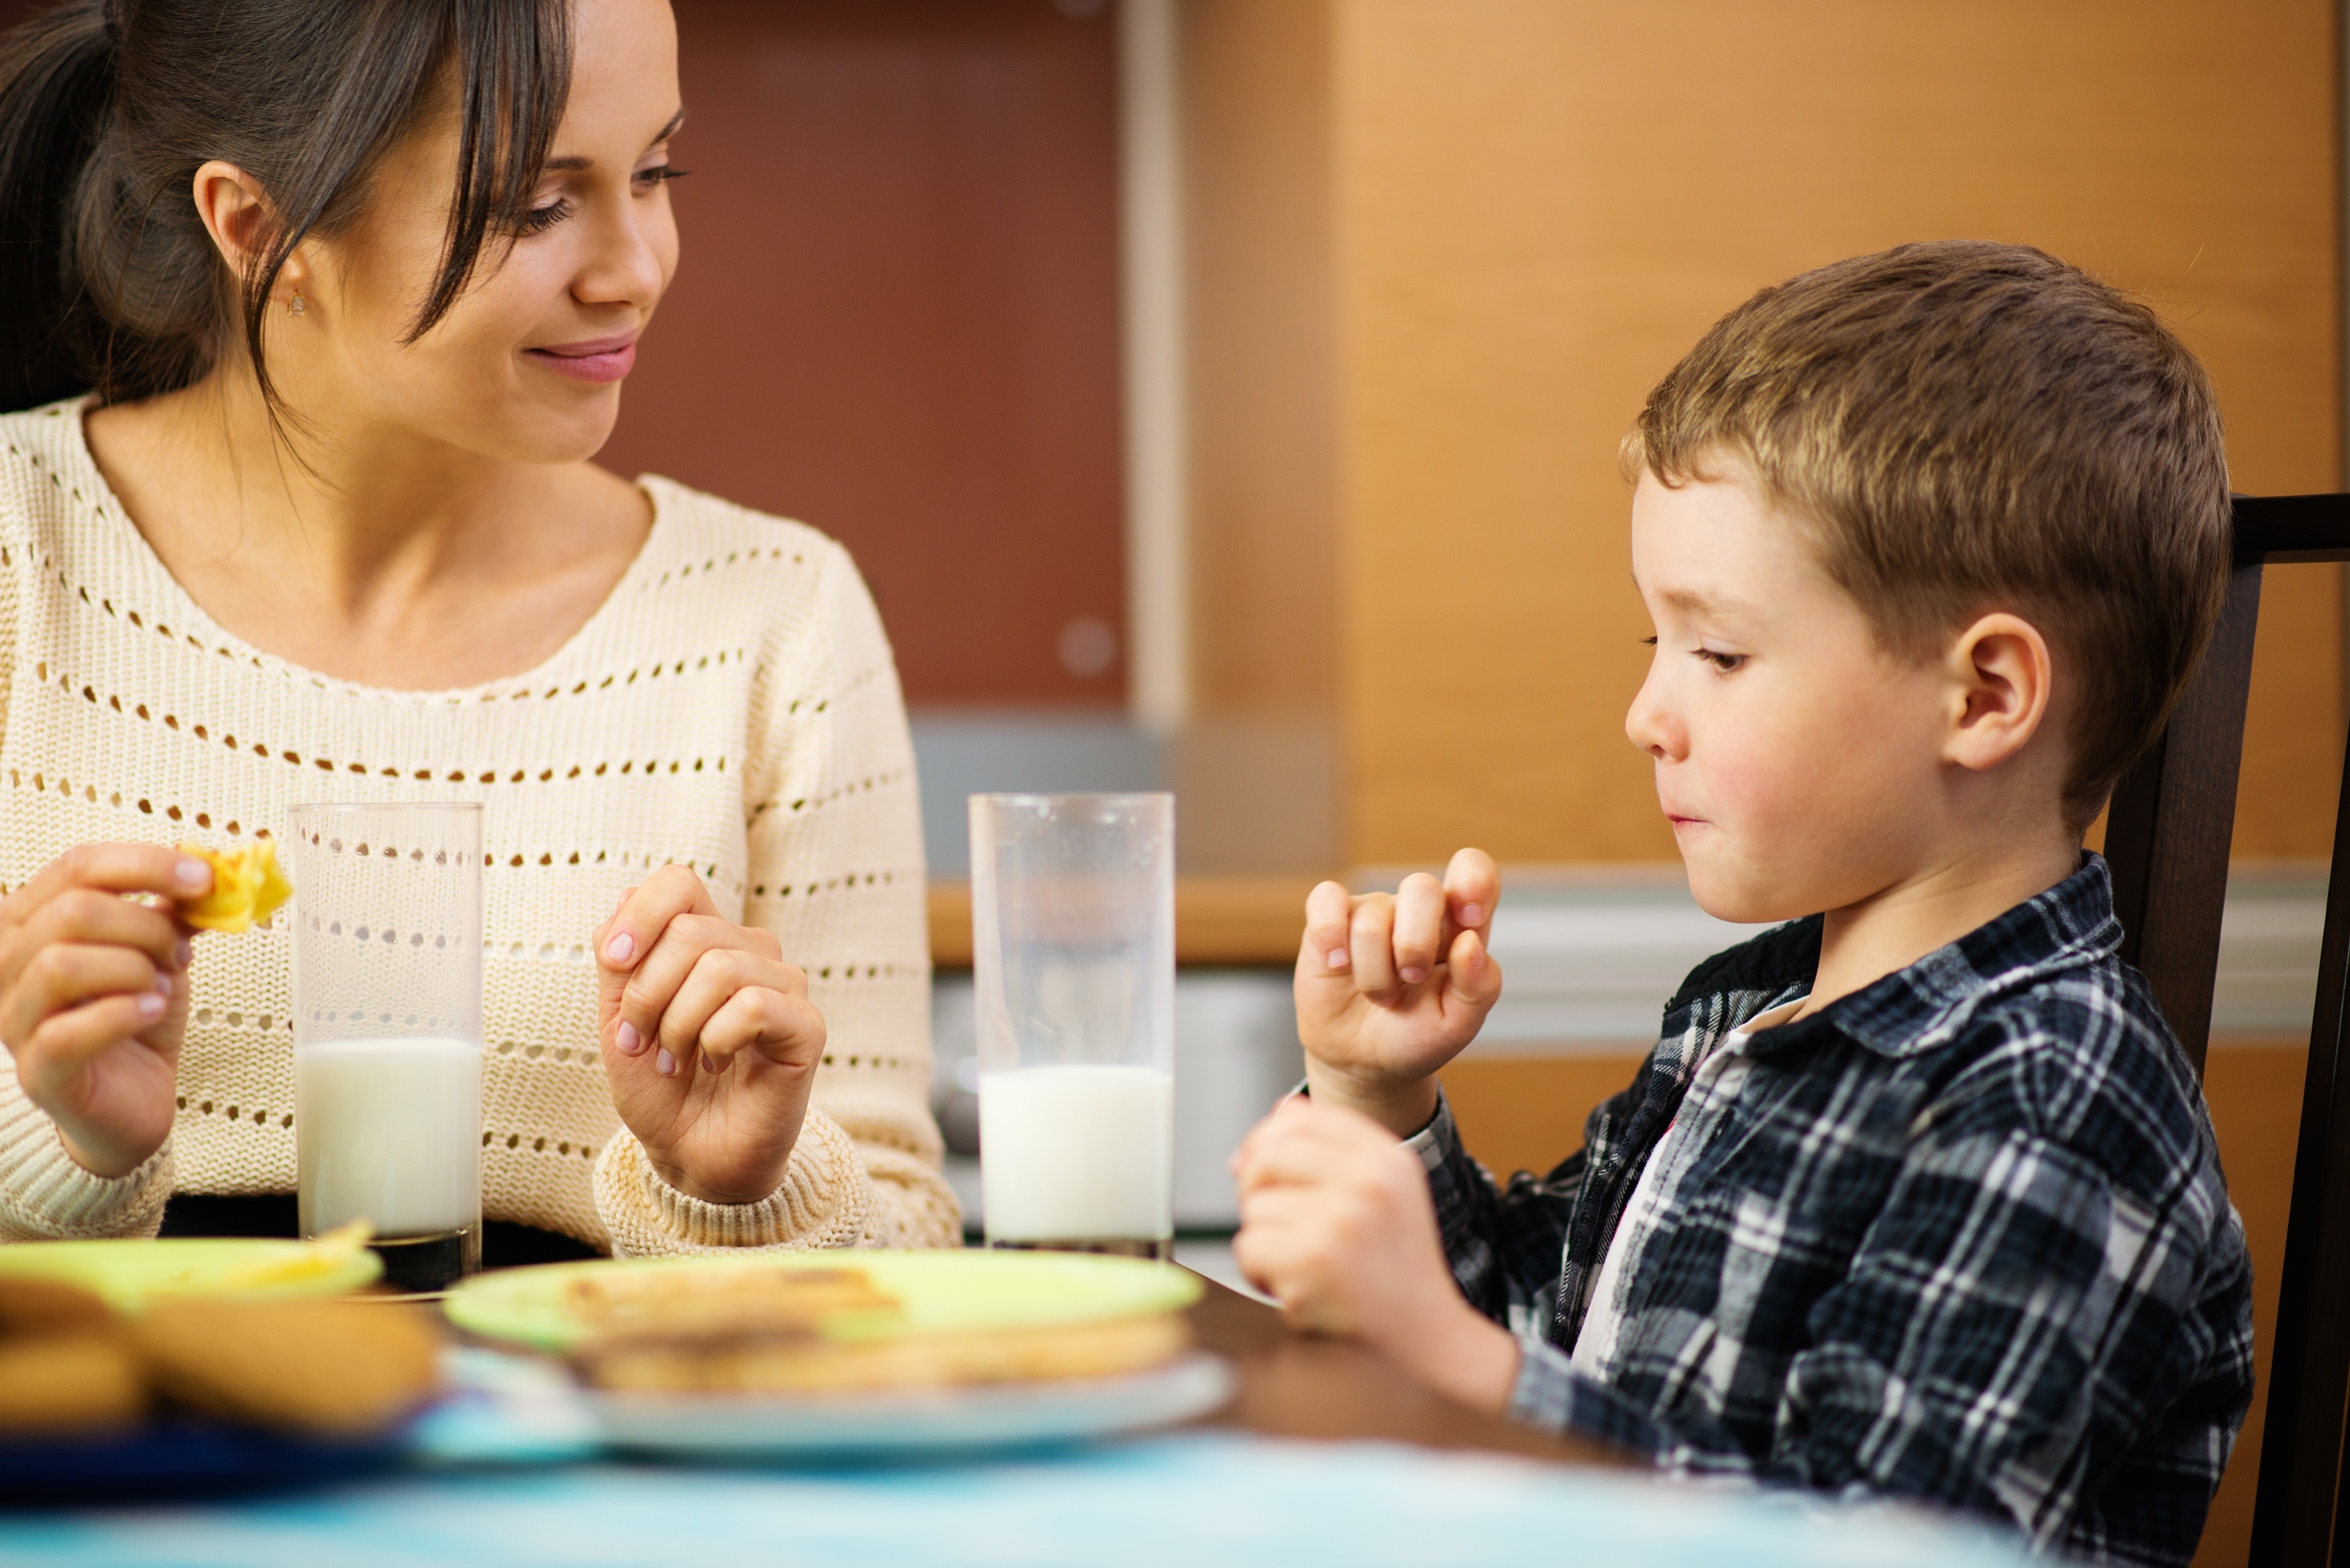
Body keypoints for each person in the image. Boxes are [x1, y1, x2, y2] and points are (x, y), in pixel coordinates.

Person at [1230, 242, 2254, 1566]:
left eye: (1717, 651)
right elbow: (1554, 1347)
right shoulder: (1753, 1011)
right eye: (1650, 644)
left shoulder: (2057, 1098)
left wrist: (1454, 1357)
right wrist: (1380, 1109)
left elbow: (1878, 1546)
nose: (1647, 713)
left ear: (1986, 695)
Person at [0, 0, 958, 1257]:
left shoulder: (776, 618)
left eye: (656, 172)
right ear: (255, 225)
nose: (635, 268)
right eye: (536, 204)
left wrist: (744, 1189)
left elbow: (914, 1259)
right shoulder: (24, 552)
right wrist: (65, 1149)